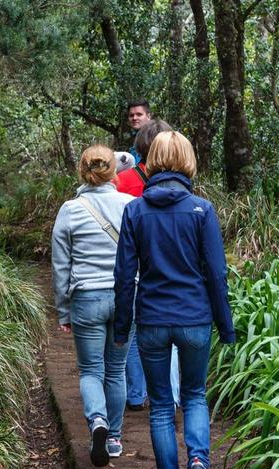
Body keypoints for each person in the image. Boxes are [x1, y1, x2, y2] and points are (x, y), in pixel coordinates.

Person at [113, 131, 235, 469]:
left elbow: (123, 276)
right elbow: (217, 274)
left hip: (151, 319)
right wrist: (225, 325)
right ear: (186, 160)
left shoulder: (134, 211)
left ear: (151, 161)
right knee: (195, 395)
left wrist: (121, 327)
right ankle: (198, 463)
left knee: (162, 405)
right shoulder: (202, 210)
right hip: (195, 317)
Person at [52, 145, 133, 468]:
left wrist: (63, 309)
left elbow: (61, 264)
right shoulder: (131, 205)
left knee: (90, 370)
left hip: (87, 297)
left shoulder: (70, 210)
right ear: (114, 171)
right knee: (116, 369)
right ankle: (113, 437)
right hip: (127, 296)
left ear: (82, 170)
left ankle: (97, 420)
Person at [115, 119, 180, 411]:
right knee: (171, 334)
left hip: (131, 259)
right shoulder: (182, 185)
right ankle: (170, 395)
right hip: (168, 263)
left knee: (133, 327)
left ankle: (136, 393)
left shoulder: (124, 180)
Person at [125, 100, 152, 165]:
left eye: (139, 114)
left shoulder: (154, 136)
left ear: (148, 116)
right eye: (131, 115)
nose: (134, 118)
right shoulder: (134, 137)